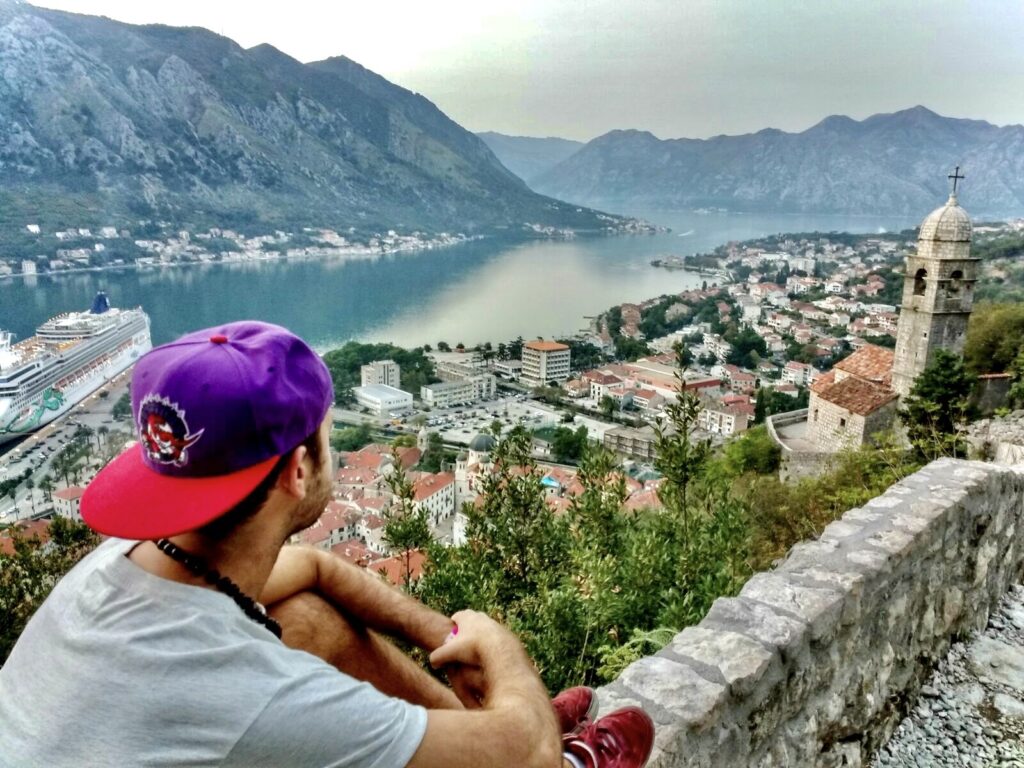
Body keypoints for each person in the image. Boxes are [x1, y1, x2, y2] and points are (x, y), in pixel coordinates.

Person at [0, 321, 654, 768]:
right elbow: (520, 754)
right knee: (522, 748)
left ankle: (468, 722)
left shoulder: (124, 564)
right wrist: (505, 661)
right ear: (299, 470)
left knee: (306, 619)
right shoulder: (253, 694)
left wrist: (441, 636)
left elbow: (312, 568)